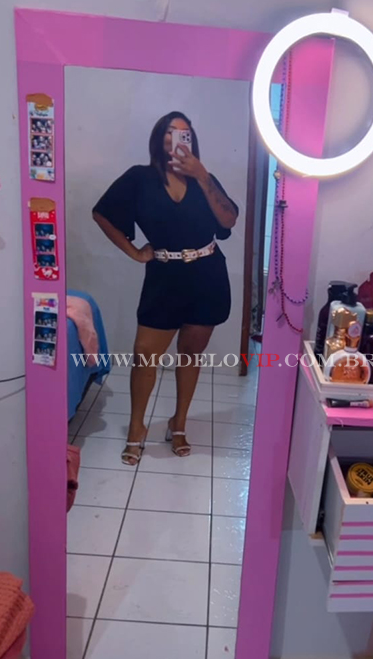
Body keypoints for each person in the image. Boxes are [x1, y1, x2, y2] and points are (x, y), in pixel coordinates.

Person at [92, 111, 239, 464]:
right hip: (164, 277)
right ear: (159, 138)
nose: (177, 139)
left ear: (192, 141)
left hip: (207, 275)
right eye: (171, 132)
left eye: (185, 133)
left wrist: (202, 175)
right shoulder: (139, 178)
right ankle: (137, 426)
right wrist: (134, 252)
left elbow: (229, 219)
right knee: (145, 354)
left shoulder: (205, 179)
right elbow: (102, 213)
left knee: (190, 354)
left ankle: (179, 423)